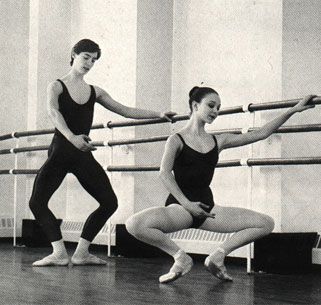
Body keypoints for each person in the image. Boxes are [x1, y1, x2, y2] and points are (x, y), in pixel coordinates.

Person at [125, 87, 315, 283]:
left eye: (218, 107)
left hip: (208, 210)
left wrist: (294, 109)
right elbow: (164, 174)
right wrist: (187, 204)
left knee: (266, 223)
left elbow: (262, 133)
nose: (215, 111)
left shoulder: (219, 140)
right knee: (134, 224)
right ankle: (181, 258)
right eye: (211, 105)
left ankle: (218, 255)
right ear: (195, 105)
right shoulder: (176, 139)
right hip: (180, 208)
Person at [29, 39, 175, 266]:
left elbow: (125, 110)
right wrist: (72, 138)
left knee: (109, 202)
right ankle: (58, 252)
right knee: (37, 203)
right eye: (86, 57)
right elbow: (53, 113)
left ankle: (81, 253)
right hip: (61, 151)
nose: (89, 63)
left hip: (81, 154)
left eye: (94, 60)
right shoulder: (56, 86)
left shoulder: (94, 91)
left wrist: (158, 114)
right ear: (74, 54)